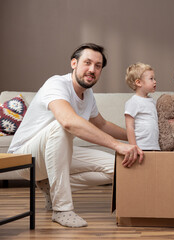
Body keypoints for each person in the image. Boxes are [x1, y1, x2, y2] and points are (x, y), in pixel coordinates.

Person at [8, 43, 144, 228]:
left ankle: (50, 187)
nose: (92, 69)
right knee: (62, 127)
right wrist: (116, 145)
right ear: (74, 63)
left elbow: (102, 124)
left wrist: (136, 138)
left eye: (98, 66)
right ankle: (62, 209)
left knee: (117, 168)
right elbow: (67, 121)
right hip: (24, 158)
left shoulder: (88, 95)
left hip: (54, 153)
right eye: (87, 63)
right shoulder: (56, 83)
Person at [124, 62, 160, 150]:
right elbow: (129, 126)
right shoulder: (133, 102)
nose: (155, 82)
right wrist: (134, 147)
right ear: (138, 82)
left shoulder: (152, 101)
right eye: (151, 79)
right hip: (141, 146)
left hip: (155, 146)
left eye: (154, 78)